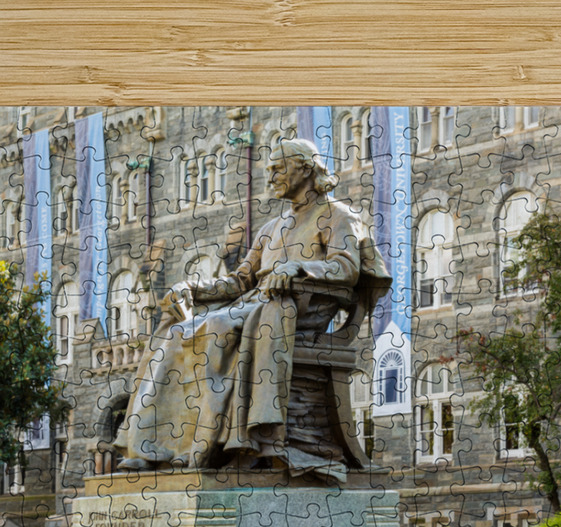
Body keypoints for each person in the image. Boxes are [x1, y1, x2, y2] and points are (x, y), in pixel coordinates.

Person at [113, 138, 390, 474]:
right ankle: (154, 447)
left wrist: (300, 268)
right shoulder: (272, 228)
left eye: (278, 169)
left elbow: (346, 267)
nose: (270, 177)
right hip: (254, 307)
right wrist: (192, 288)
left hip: (297, 315)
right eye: (269, 170)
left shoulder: (339, 216)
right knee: (176, 332)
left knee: (217, 329)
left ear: (305, 169)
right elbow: (240, 281)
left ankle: (206, 447)